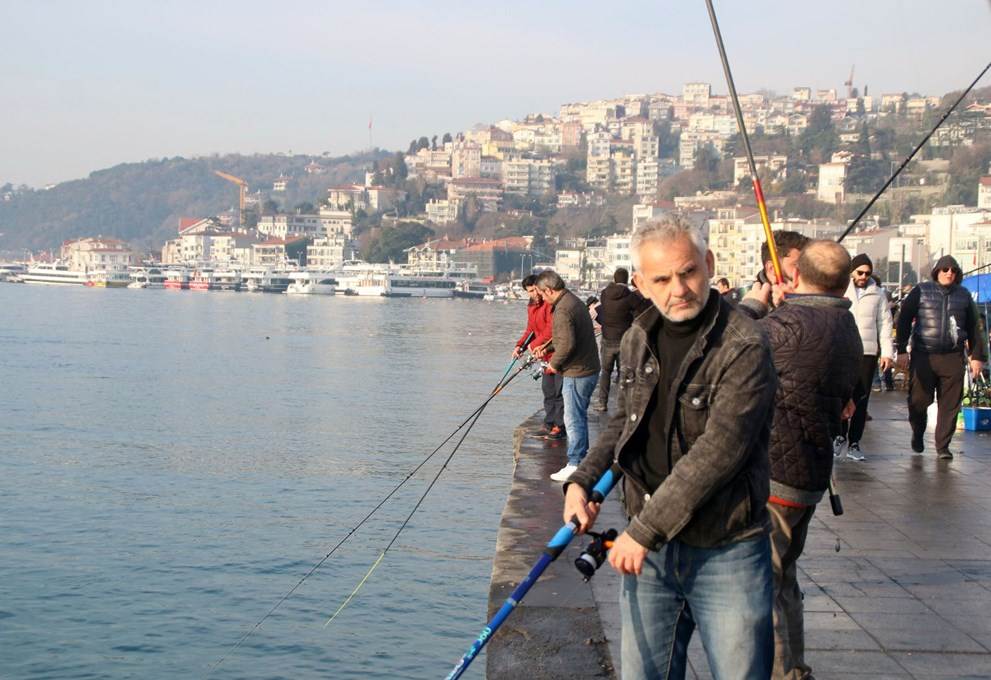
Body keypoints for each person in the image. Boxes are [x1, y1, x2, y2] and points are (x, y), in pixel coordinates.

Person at [562, 214, 778, 679]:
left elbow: (721, 451)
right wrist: (582, 481)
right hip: (652, 555)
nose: (678, 289)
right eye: (661, 278)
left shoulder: (745, 344)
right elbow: (626, 421)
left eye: (688, 272)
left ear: (709, 263)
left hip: (726, 549)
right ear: (641, 282)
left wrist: (642, 532)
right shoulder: (641, 335)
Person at [741, 240, 862, 680]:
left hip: (776, 474)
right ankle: (796, 667)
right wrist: (785, 302)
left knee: (763, 583)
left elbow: (725, 341)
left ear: (796, 275)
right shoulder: (847, 327)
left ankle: (781, 673)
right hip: (810, 473)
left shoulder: (788, 323)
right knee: (785, 578)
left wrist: (760, 301)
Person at [895, 256, 988, 459]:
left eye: (953, 270)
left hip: (952, 357)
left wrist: (977, 356)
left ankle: (942, 446)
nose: (949, 273)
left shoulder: (963, 295)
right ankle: (917, 432)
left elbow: (974, 328)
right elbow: (903, 319)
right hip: (924, 355)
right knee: (919, 400)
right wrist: (901, 349)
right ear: (937, 271)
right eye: (945, 269)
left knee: (950, 405)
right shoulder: (920, 290)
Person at [534, 270, 600, 480]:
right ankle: (582, 459)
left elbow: (568, 344)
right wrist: (547, 347)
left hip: (577, 372)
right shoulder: (573, 301)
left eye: (542, 295)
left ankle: (575, 463)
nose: (542, 299)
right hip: (588, 368)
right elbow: (564, 338)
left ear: (549, 290)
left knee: (572, 418)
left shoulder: (562, 310)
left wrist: (553, 364)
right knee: (578, 416)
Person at [833, 254, 894, 462]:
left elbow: (885, 324)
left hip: (867, 352)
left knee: (861, 398)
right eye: (860, 272)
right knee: (842, 394)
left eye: (867, 273)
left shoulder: (878, 294)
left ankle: (855, 442)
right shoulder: (841, 290)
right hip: (843, 349)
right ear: (852, 272)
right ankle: (839, 435)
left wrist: (887, 352)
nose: (863, 276)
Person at [513, 274, 566, 440]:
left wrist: (535, 345)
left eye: (534, 290)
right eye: (529, 292)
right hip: (544, 357)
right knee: (548, 390)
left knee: (559, 392)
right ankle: (549, 422)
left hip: (557, 355)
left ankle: (560, 426)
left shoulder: (549, 304)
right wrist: (520, 345)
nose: (533, 294)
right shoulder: (531, 306)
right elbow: (531, 329)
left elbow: (551, 330)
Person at [592, 268, 634, 412]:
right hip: (624, 340)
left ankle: (602, 402)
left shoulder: (604, 294)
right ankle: (623, 405)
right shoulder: (630, 296)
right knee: (625, 372)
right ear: (627, 280)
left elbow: (608, 291)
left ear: (614, 280)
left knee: (605, 372)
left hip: (607, 338)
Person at [756, 231, 811, 309]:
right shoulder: (750, 302)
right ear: (772, 268)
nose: (805, 270)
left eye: (807, 264)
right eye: (796, 264)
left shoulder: (813, 294)